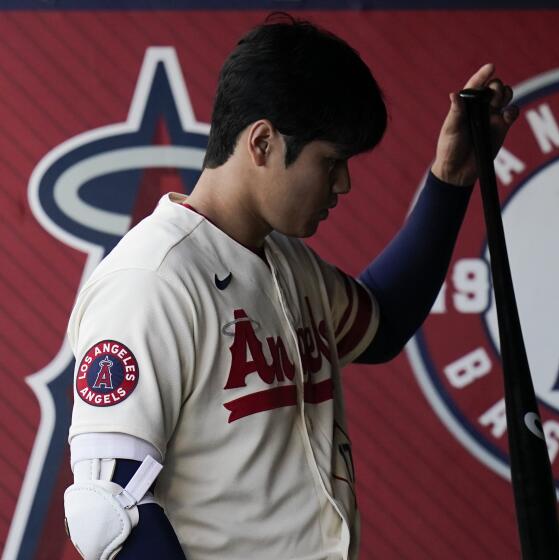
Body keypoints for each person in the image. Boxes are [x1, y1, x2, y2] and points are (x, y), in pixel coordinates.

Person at [63, 13, 517, 560]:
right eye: (331, 161)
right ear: (262, 143)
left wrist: (450, 181)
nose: (343, 183)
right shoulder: (152, 281)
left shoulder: (288, 262)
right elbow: (108, 511)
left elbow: (385, 321)